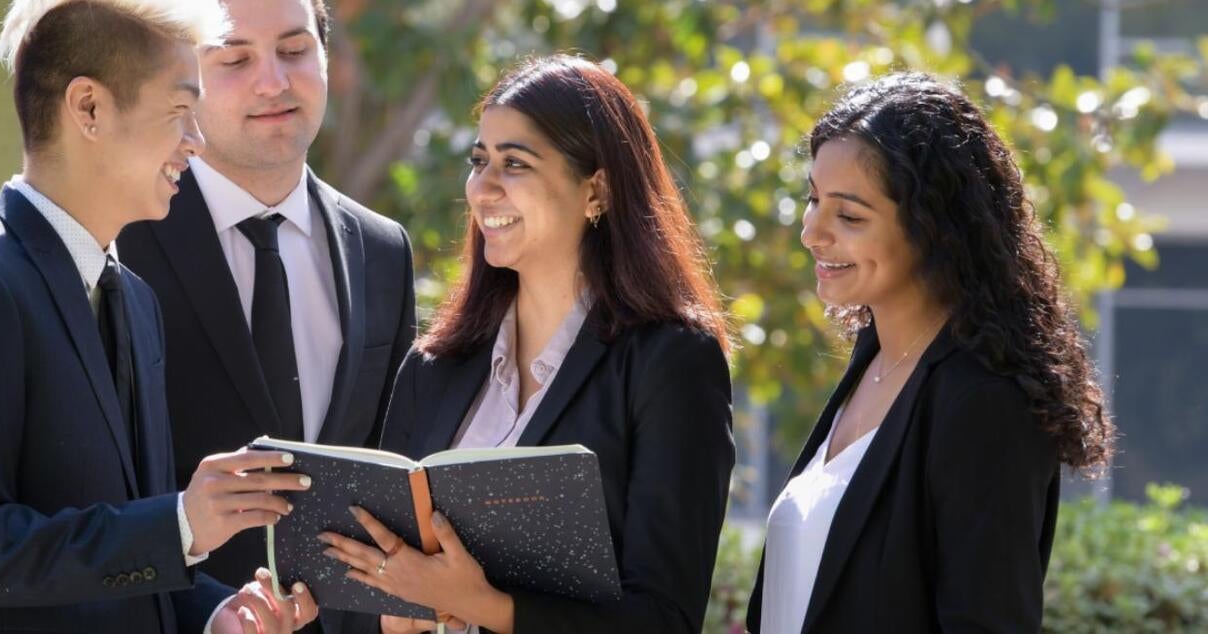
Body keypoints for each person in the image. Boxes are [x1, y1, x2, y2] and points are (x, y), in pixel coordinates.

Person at [0, 0, 321, 634]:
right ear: (87, 106)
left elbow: (122, 556)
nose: (196, 142)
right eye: (180, 109)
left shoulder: (135, 300)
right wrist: (178, 523)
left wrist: (214, 614)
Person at [320, 54, 736, 633]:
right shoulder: (433, 366)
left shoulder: (671, 363)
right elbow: (360, 599)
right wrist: (395, 619)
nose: (483, 189)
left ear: (598, 190)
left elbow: (664, 618)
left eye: (514, 164)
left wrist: (486, 607)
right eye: (479, 160)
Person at [748, 72, 1114, 633]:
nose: (812, 233)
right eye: (813, 200)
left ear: (934, 229)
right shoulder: (873, 362)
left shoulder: (985, 403)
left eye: (849, 216)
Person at [117, 0, 418, 602]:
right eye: (234, 59)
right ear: (183, 80)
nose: (274, 81)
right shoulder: (122, 241)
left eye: (293, 49)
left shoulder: (383, 251)